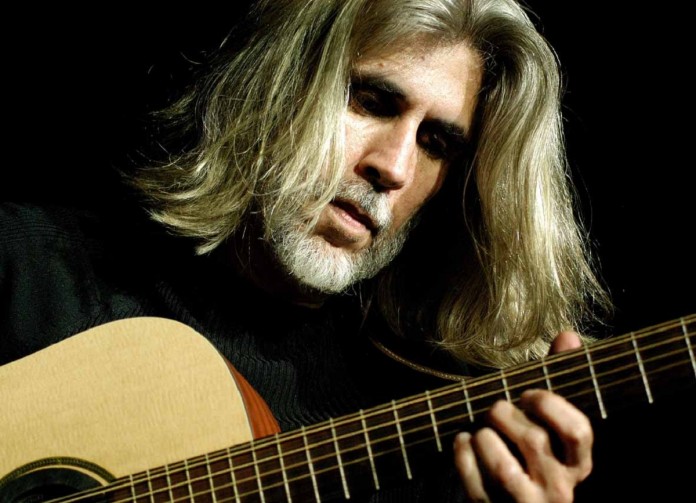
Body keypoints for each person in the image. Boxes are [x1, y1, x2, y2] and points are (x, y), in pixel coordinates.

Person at [1, 0, 611, 501]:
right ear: (278, 82)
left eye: (436, 143)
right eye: (372, 101)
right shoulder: (25, 263)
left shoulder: (429, 445)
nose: (395, 168)